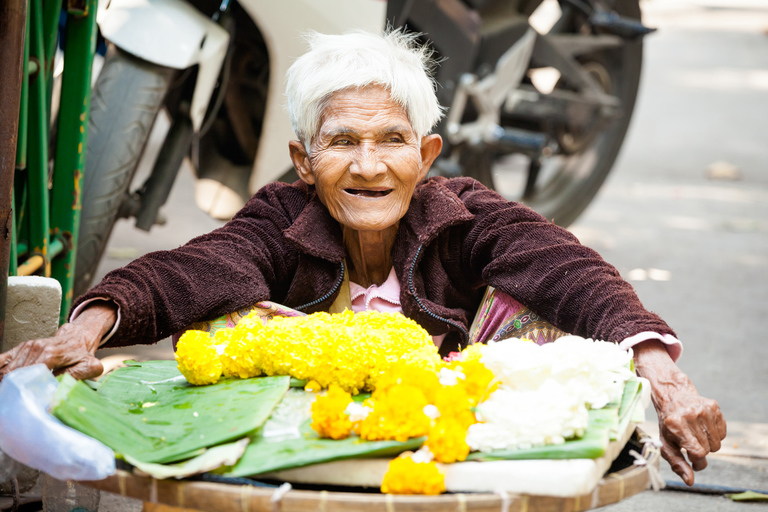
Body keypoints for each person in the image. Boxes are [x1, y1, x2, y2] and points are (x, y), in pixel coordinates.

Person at [0, 30, 724, 486]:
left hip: (443, 442)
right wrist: (83, 330)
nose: (369, 165)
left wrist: (661, 372)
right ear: (304, 161)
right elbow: (189, 270)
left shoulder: (464, 213)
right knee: (227, 317)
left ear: (426, 153)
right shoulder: (281, 218)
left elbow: (568, 269)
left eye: (392, 141)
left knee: (550, 321)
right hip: (311, 447)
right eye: (342, 141)